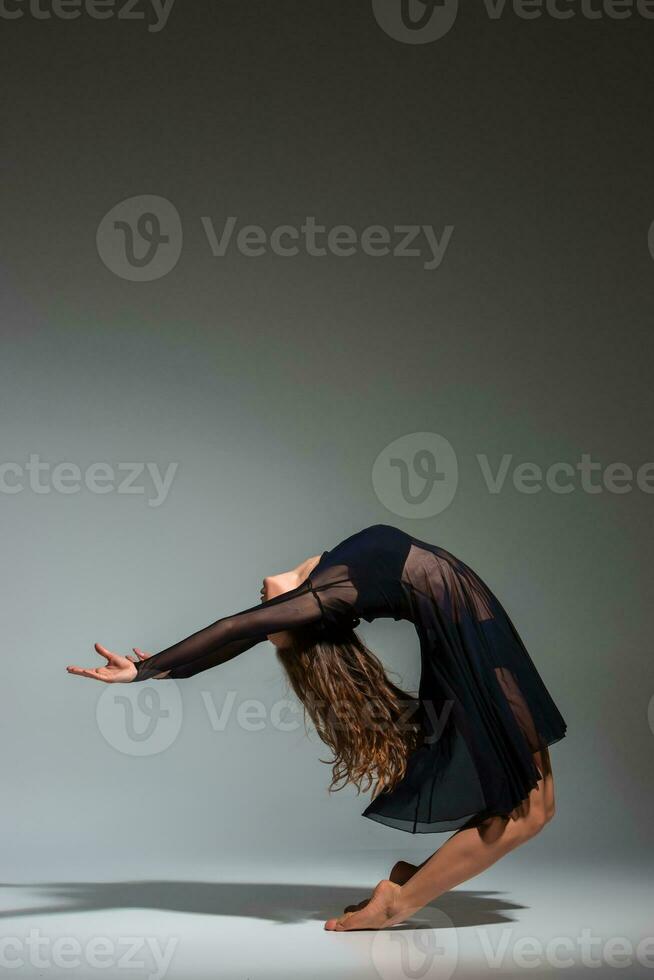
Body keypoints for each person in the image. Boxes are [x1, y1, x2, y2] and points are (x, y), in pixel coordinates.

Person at [67, 523, 567, 931]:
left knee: (535, 806)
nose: (265, 617)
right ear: (304, 619)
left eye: (271, 623)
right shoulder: (331, 593)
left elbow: (241, 630)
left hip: (476, 630)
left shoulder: (324, 578)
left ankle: (413, 883)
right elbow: (236, 629)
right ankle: (397, 901)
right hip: (473, 639)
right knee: (532, 810)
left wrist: (162, 667)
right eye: (274, 625)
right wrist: (150, 671)